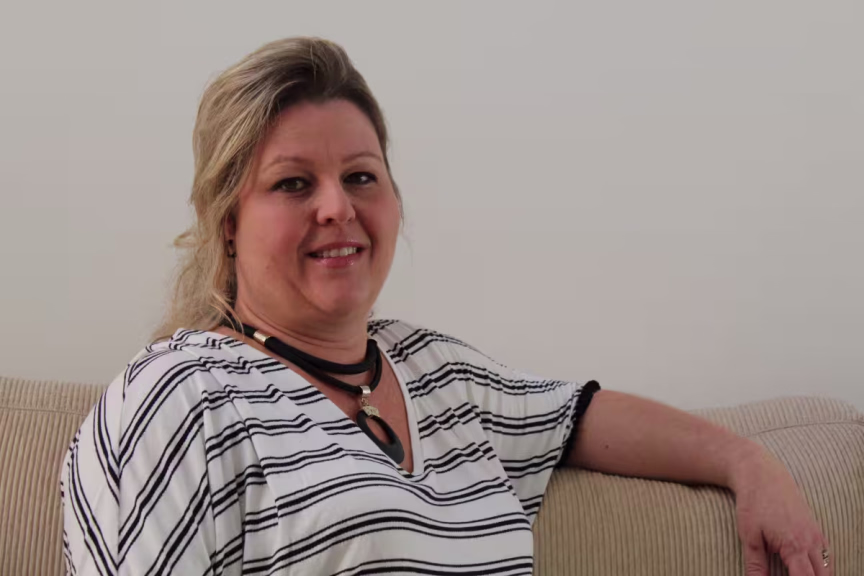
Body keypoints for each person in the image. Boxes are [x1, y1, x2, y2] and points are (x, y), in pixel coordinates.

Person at [61, 36, 832, 576]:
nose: (337, 207)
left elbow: (579, 416)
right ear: (228, 222)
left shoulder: (435, 373)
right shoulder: (178, 396)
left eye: (361, 176)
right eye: (293, 183)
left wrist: (747, 462)